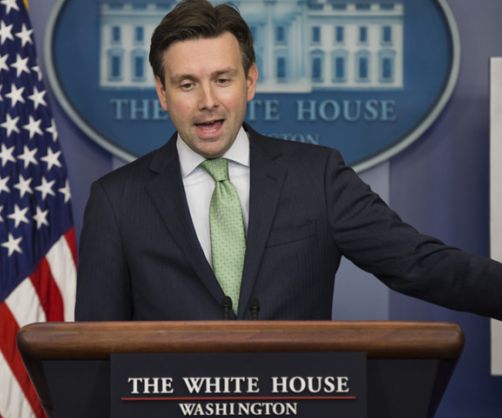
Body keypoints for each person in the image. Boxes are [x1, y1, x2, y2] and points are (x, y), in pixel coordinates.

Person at [75, 0, 502, 321]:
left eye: (222, 79)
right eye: (187, 84)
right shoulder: (117, 200)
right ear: (162, 93)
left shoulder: (317, 177)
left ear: (250, 81)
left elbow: (419, 263)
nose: (207, 101)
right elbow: (92, 350)